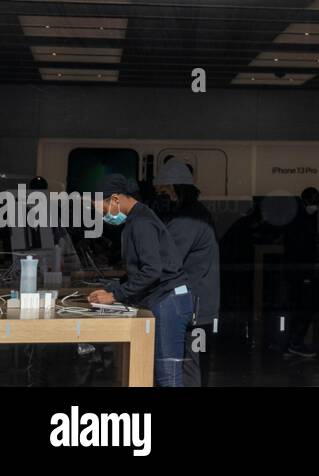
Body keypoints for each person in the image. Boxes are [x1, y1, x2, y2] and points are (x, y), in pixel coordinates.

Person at [87, 174, 193, 387]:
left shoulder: (141, 223)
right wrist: (111, 289)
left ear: (115, 199)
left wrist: (116, 295)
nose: (104, 216)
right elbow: (141, 270)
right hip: (166, 299)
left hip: (169, 301)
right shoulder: (138, 218)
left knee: (168, 377)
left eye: (104, 210)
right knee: (163, 374)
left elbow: (152, 270)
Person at [152, 161, 220, 387]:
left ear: (174, 190)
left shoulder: (186, 220)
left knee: (188, 367)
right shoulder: (192, 214)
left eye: (162, 192)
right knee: (190, 365)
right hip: (196, 305)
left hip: (193, 309)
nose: (160, 197)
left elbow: (165, 259)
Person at [282, 187, 319, 358]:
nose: (315, 207)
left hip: (297, 267)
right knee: (305, 306)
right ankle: (296, 342)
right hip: (301, 267)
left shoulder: (298, 215)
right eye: (313, 203)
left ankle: (292, 342)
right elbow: (304, 244)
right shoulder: (304, 218)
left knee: (299, 305)